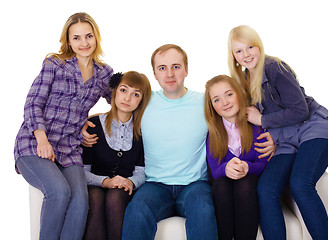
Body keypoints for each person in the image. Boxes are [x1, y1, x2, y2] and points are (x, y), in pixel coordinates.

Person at [228, 25, 328, 239]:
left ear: (259, 46)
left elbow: (300, 110)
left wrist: (263, 119)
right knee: (266, 190)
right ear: (233, 56)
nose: (246, 54)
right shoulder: (244, 80)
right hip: (285, 141)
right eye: (239, 51)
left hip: (314, 129)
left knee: (300, 184)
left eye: (250, 47)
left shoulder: (274, 67)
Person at [13, 12, 113, 240]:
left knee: (80, 201)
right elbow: (33, 103)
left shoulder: (104, 73)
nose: (84, 43)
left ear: (96, 37)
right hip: (35, 143)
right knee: (59, 192)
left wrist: (89, 121)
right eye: (76, 38)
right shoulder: (55, 64)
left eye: (88, 36)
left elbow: (119, 103)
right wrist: (42, 139)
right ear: (68, 41)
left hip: (69, 148)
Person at [119, 44, 218, 240]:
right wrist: (87, 125)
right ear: (155, 74)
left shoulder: (205, 102)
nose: (170, 74)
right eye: (162, 68)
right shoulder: (144, 103)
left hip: (195, 184)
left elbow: (234, 119)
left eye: (176, 66)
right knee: (137, 210)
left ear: (186, 70)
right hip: (155, 184)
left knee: (204, 210)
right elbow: (117, 112)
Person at [82, 71, 151, 240]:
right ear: (114, 91)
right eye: (123, 90)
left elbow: (141, 172)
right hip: (95, 184)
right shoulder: (94, 125)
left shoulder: (142, 130)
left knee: (116, 195)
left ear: (142, 100)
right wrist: (105, 182)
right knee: (95, 198)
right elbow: (81, 171)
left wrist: (130, 182)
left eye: (136, 94)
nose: (127, 98)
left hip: (123, 188)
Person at [205, 74, 269, 240]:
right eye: (217, 100)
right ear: (212, 106)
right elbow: (214, 169)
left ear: (239, 94)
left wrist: (248, 167)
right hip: (223, 185)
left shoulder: (256, 126)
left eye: (229, 94)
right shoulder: (213, 133)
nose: (225, 102)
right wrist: (226, 168)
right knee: (221, 185)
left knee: (245, 183)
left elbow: (263, 163)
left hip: (250, 183)